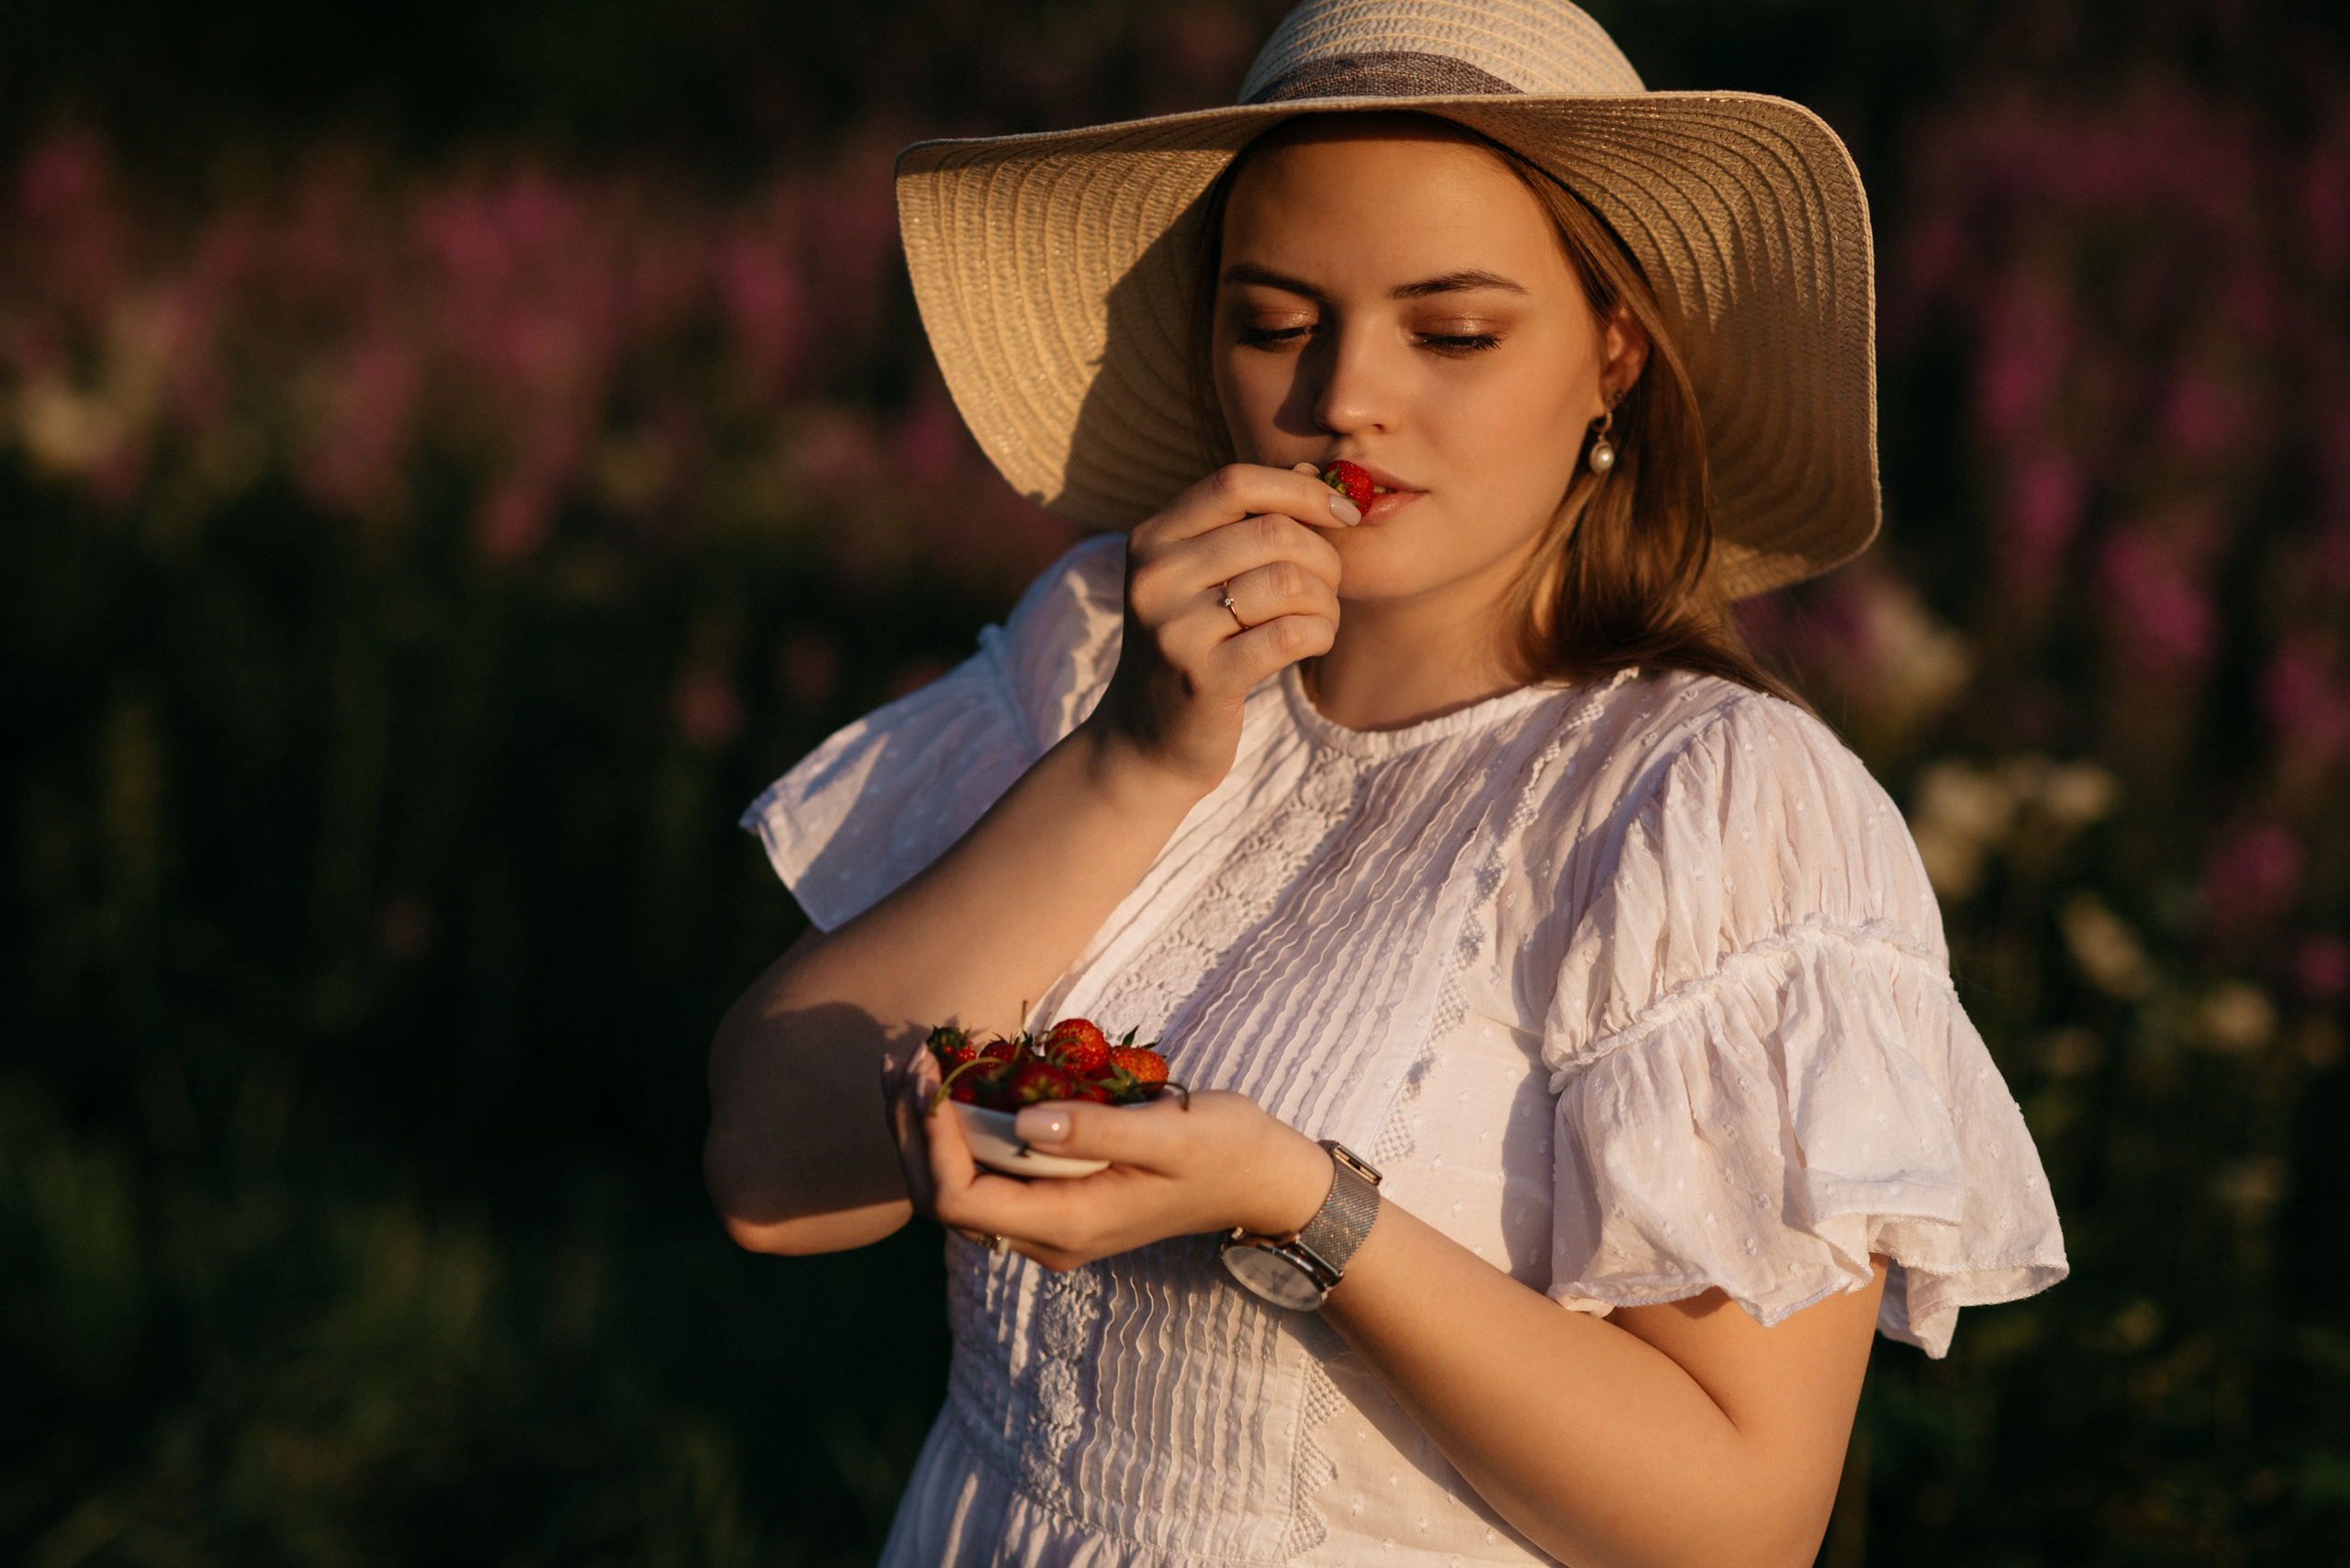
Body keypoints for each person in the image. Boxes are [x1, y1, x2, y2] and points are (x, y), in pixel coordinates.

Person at [705, 2, 2068, 1563]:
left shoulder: (1708, 802)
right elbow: (770, 1170)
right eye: (1276, 323)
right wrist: (1137, 761)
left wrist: (1304, 1205)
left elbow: (1739, 1522)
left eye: (1455, 332)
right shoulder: (1103, 648)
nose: (1345, 398)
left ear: (1614, 349)